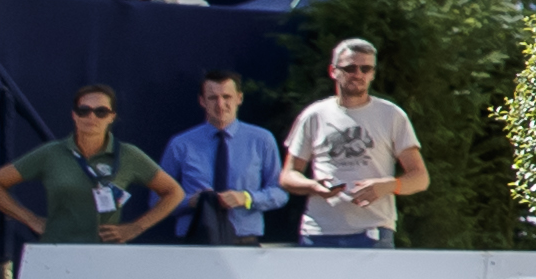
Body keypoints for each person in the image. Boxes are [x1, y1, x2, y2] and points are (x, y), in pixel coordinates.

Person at [0, 86, 189, 275]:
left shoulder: (128, 155)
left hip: (106, 257)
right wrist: (30, 219)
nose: (91, 117)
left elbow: (174, 192)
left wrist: (135, 228)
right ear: (74, 115)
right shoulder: (52, 153)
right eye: (84, 110)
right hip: (58, 253)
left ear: (112, 117)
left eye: (101, 112)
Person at [286, 39, 427, 248]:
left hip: (373, 230)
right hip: (319, 231)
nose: (358, 74)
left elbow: (420, 178)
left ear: (373, 74)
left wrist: (389, 185)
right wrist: (313, 186)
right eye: (350, 68)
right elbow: (287, 175)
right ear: (333, 71)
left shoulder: (391, 115)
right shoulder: (314, 115)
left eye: (366, 68)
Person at [161, 70, 289, 243]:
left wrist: (247, 198)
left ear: (239, 98)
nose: (220, 105)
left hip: (244, 239)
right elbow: (158, 199)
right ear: (202, 101)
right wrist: (191, 201)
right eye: (213, 98)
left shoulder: (261, 140)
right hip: (195, 240)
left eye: (226, 97)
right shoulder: (180, 144)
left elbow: (280, 192)